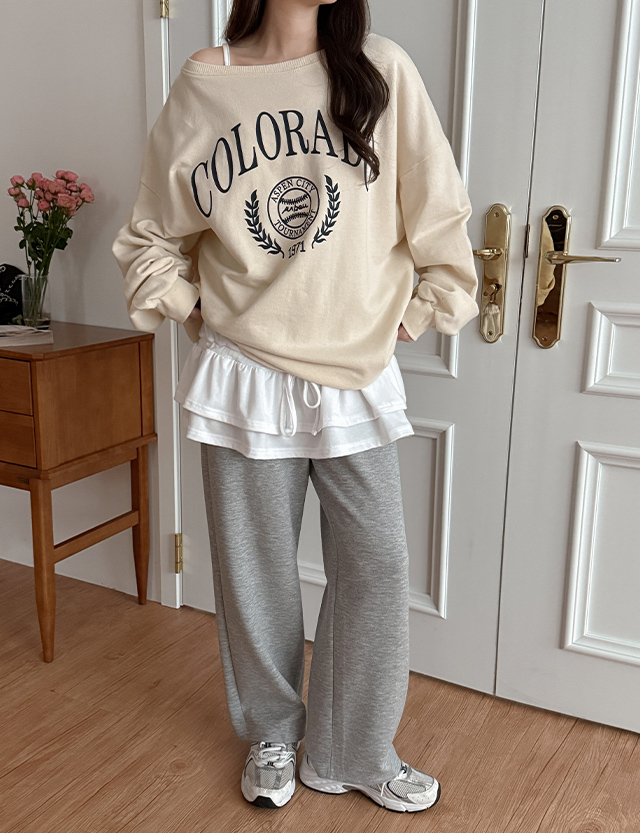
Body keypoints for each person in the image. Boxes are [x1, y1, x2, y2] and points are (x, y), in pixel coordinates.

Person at [112, 0, 479, 814]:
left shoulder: (380, 69)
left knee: (377, 565)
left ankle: (351, 749)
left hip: (353, 374)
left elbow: (441, 215)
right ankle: (273, 732)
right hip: (244, 373)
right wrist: (196, 310)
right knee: (256, 574)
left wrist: (413, 317)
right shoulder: (206, 81)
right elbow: (150, 235)